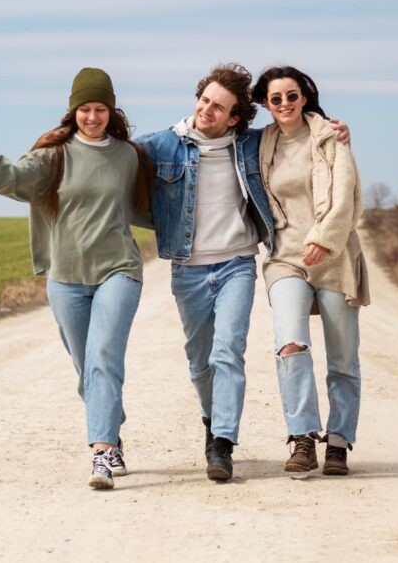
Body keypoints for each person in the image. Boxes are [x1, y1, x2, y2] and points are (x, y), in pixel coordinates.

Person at [0, 67, 152, 490]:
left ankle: (102, 451)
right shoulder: (55, 155)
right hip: (67, 278)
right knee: (86, 367)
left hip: (119, 269)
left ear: (112, 111)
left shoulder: (129, 156)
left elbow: (152, 206)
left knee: (103, 356)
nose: (92, 117)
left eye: (100, 109)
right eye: (84, 109)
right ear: (73, 111)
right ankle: (110, 429)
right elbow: (11, 176)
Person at [136, 63, 348, 481]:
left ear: (235, 117)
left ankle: (222, 443)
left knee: (227, 352)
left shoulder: (250, 144)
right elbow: (112, 160)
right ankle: (210, 420)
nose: (207, 111)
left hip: (236, 264)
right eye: (204, 101)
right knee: (200, 363)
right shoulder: (160, 145)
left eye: (219, 107)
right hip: (188, 269)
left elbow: (297, 134)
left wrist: (336, 132)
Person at [252, 65, 370, 477]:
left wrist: (324, 237)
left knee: (342, 358)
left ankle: (338, 442)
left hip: (334, 258)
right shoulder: (260, 143)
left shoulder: (331, 138)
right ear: (265, 105)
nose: (285, 104)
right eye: (275, 98)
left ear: (304, 96)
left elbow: (346, 197)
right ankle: (303, 437)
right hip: (286, 258)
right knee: (290, 343)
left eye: (291, 95)